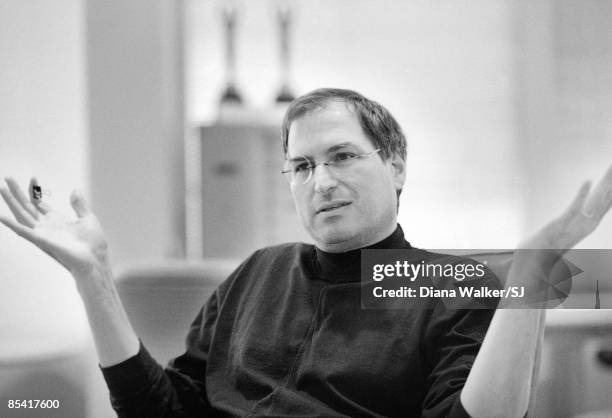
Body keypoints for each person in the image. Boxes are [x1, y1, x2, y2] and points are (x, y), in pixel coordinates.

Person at [1, 88, 611, 417]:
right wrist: (93, 277)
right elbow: (163, 411)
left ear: (395, 167)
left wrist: (528, 278)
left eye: (343, 156)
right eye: (301, 166)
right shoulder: (260, 272)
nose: (320, 182)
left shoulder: (447, 282)